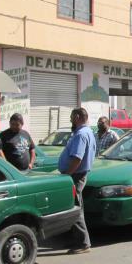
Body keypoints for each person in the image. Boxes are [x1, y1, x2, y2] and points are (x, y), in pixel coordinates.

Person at [58, 108, 96, 254]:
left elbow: (77, 158)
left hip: (75, 175)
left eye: (72, 117)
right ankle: (77, 239)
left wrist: (67, 175)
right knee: (74, 207)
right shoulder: (87, 132)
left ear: (78, 117)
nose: (70, 120)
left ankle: (83, 243)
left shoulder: (81, 134)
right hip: (77, 174)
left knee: (75, 209)